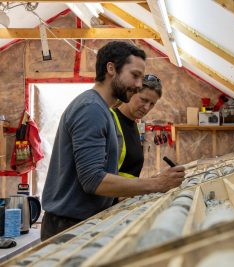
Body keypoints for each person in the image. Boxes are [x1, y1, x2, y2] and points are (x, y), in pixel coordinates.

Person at [41, 41, 185, 241]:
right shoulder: (91, 109)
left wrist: (153, 182)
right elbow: (94, 180)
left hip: (83, 221)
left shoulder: (102, 109)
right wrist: (157, 184)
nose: (137, 86)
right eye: (134, 76)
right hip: (69, 226)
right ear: (111, 68)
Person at [111, 74, 162, 178]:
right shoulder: (109, 120)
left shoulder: (135, 125)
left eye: (152, 104)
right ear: (130, 93)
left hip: (128, 193)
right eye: (144, 100)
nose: (147, 107)